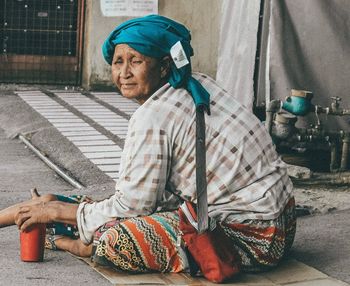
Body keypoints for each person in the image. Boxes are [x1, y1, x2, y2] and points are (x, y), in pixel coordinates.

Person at [0, 15, 295, 275]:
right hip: (283, 221)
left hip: (253, 238)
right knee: (75, 208)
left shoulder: (154, 115)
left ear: (164, 66)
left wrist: (54, 213)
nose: (124, 73)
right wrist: (54, 207)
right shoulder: (200, 83)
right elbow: (146, 197)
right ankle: (56, 212)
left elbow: (132, 206)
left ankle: (85, 245)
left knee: (115, 238)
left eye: (136, 61)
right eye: (118, 62)